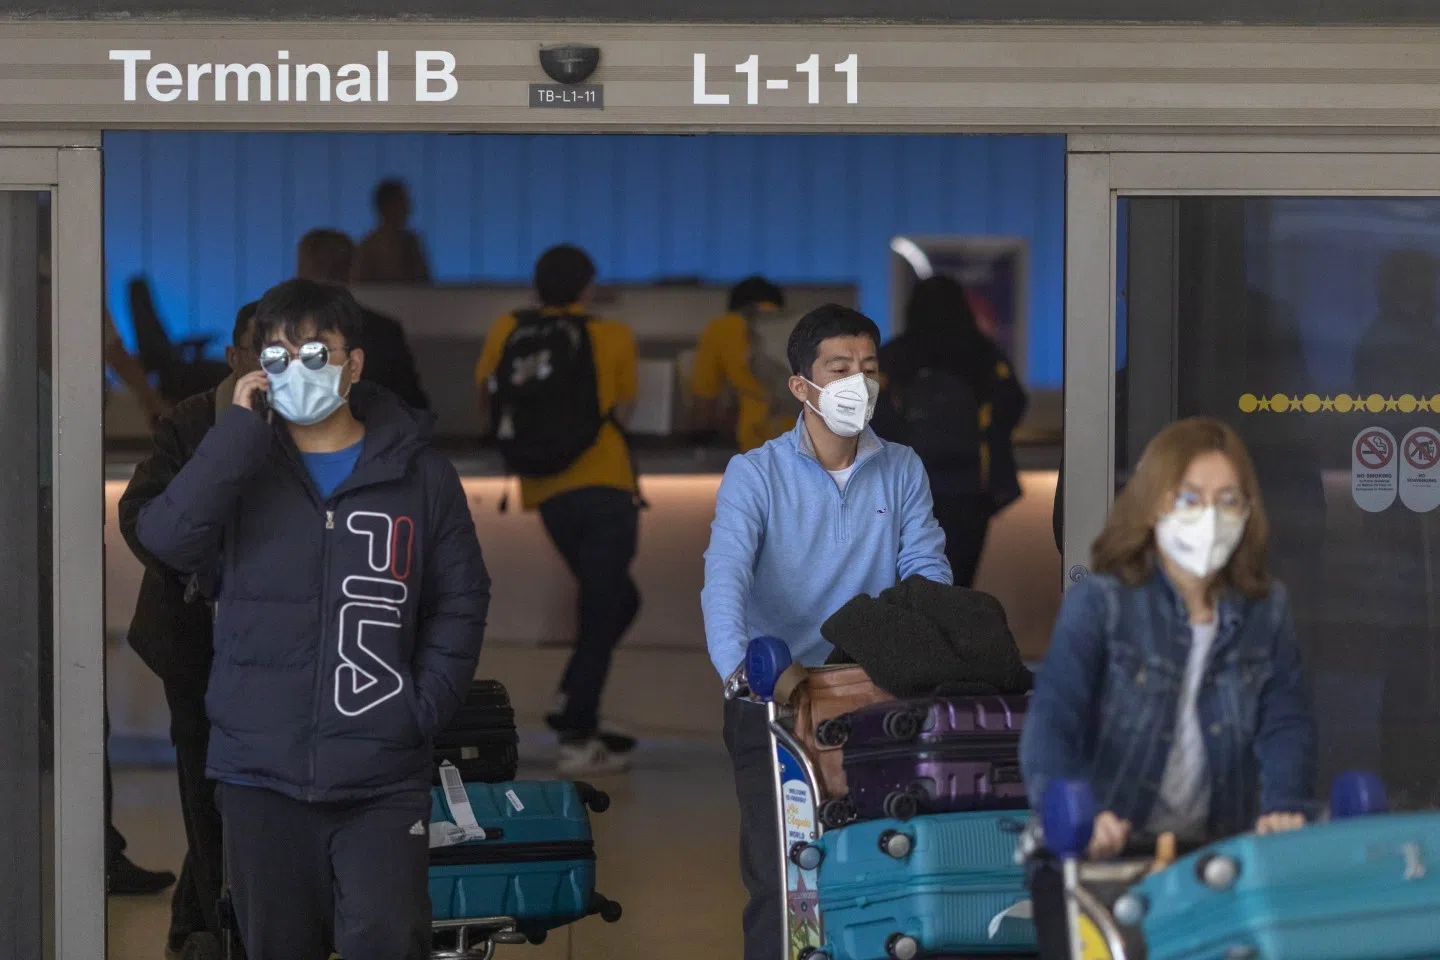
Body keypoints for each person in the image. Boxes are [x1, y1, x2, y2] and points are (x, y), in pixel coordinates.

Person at [135, 279, 491, 960]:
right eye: (277, 358)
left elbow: (462, 598)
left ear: (354, 364)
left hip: (380, 773)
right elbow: (166, 543)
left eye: (316, 355)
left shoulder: (419, 475)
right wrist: (235, 439)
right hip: (258, 773)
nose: (297, 373)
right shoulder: (241, 465)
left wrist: (421, 707)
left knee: (388, 942)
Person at [701, 303, 952, 960]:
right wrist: (742, 672)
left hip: (872, 693)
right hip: (776, 695)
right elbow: (724, 576)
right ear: (801, 385)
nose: (857, 383)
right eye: (839, 368)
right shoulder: (756, 474)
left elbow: (926, 567)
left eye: (868, 368)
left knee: (884, 862)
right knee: (788, 878)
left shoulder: (902, 468)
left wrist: (928, 645)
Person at [1021, 417, 1315, 860]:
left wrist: (1285, 806)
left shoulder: (1265, 609)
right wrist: (1075, 813)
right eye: (1191, 498)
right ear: (1155, 504)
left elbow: (1285, 722)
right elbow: (1053, 721)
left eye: (1228, 500)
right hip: (1106, 852)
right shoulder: (1102, 603)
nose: (1211, 517)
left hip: (1214, 855)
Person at [118, 302, 259, 957]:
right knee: (205, 783)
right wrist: (196, 560)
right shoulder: (194, 418)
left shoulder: (317, 419)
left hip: (275, 644)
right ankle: (215, 928)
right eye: (262, 352)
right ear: (234, 357)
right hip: (193, 638)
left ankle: (199, 920)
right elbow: (140, 514)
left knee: (241, 790)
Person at [474, 244, 641, 777]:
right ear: (587, 287)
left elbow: (488, 392)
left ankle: (576, 694)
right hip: (605, 485)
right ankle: (576, 731)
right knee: (603, 603)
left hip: (545, 489)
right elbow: (625, 405)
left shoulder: (508, 328)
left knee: (618, 597)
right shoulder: (610, 335)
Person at [873, 275, 1029, 588]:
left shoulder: (895, 355)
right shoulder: (983, 353)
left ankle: (915, 634)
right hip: (970, 487)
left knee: (908, 581)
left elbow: (874, 414)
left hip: (908, 484)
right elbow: (1013, 403)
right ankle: (952, 633)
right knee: (958, 582)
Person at [297, 228, 430, 411]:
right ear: (350, 270)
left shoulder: (277, 331)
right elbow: (414, 408)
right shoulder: (384, 331)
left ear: (301, 270)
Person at [689, 275, 795, 453]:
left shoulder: (721, 328)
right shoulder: (800, 326)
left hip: (758, 438)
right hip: (808, 437)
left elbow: (704, 403)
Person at [352, 179, 431, 285]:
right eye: (402, 202)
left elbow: (424, 283)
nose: (408, 209)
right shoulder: (369, 247)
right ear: (386, 206)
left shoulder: (412, 242)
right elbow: (362, 287)